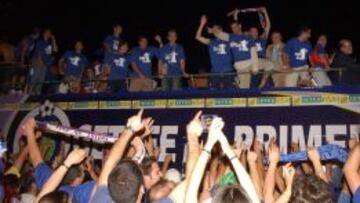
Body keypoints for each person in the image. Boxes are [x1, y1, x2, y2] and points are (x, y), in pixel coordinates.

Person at [209, 20, 258, 89]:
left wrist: (255, 67)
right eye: (232, 28)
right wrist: (213, 30)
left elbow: (254, 52)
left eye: (235, 27)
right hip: (240, 66)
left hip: (250, 62)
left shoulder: (248, 37)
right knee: (244, 87)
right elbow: (221, 34)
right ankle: (242, 92)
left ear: (240, 26)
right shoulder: (231, 37)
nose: (233, 29)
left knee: (270, 65)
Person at [195, 15, 234, 89]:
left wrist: (212, 30)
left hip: (228, 71)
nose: (214, 31)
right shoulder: (211, 41)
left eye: (216, 29)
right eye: (214, 29)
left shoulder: (228, 40)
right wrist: (202, 24)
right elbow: (197, 37)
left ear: (221, 30)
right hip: (215, 72)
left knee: (229, 93)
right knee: (213, 94)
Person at [248, 7, 275, 88]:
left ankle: (263, 83)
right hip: (253, 64)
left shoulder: (262, 39)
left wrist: (265, 12)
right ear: (249, 33)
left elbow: (268, 26)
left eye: (256, 31)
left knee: (269, 87)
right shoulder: (247, 41)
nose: (254, 33)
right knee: (253, 87)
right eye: (252, 31)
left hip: (263, 63)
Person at [29, 29, 58, 95]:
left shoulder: (49, 44)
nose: (49, 34)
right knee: (35, 76)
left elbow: (55, 50)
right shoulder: (40, 42)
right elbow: (39, 51)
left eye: (50, 33)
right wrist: (40, 60)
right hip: (37, 60)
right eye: (47, 32)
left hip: (45, 63)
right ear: (44, 33)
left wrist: (53, 39)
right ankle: (29, 92)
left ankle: (37, 92)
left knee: (41, 79)